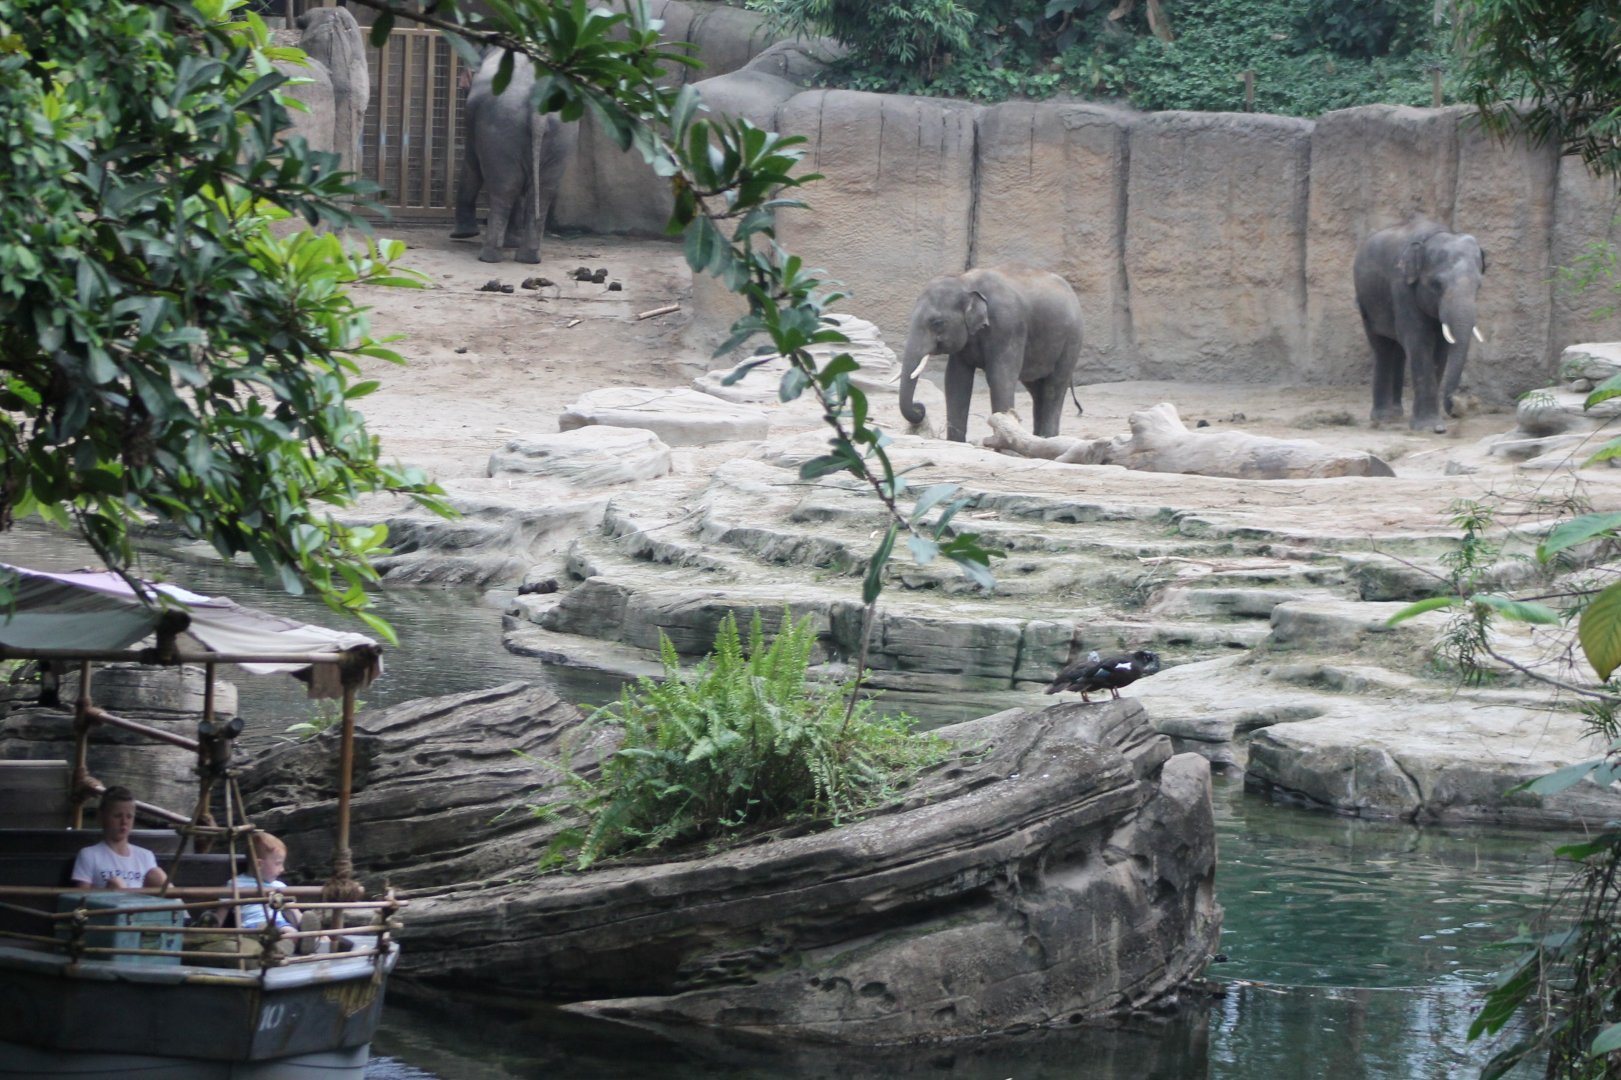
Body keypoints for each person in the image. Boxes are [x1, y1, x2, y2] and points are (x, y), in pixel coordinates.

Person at [70, 786, 169, 891]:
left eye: (129, 816)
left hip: (145, 900)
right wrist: (108, 891)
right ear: (101, 817)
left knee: (157, 875)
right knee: (117, 884)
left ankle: (178, 901)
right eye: (117, 816)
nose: (124, 822)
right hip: (109, 900)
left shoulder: (146, 856)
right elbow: (81, 896)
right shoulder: (89, 855)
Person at [230, 832, 302, 940]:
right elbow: (223, 909)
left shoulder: (278, 885)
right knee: (285, 933)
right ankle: (285, 942)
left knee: (290, 932)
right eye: (278, 863)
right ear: (259, 864)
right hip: (251, 927)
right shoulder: (236, 884)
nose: (282, 869)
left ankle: (304, 937)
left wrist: (302, 923)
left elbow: (293, 910)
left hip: (278, 923)